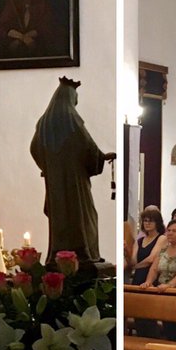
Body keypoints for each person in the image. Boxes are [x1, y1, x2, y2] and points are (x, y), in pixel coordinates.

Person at [29, 76, 114, 264]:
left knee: (60, 219)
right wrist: (101, 157)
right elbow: (87, 146)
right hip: (75, 182)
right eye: (75, 96)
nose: (76, 100)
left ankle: (59, 256)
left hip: (55, 184)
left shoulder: (44, 122)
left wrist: (48, 167)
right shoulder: (71, 118)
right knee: (86, 217)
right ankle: (83, 255)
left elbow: (34, 148)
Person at [129, 206, 166, 286]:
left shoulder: (162, 238)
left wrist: (136, 266)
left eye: (151, 221)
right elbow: (133, 260)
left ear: (157, 223)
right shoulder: (139, 240)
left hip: (152, 275)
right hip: (138, 275)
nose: (147, 223)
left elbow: (152, 258)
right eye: (145, 221)